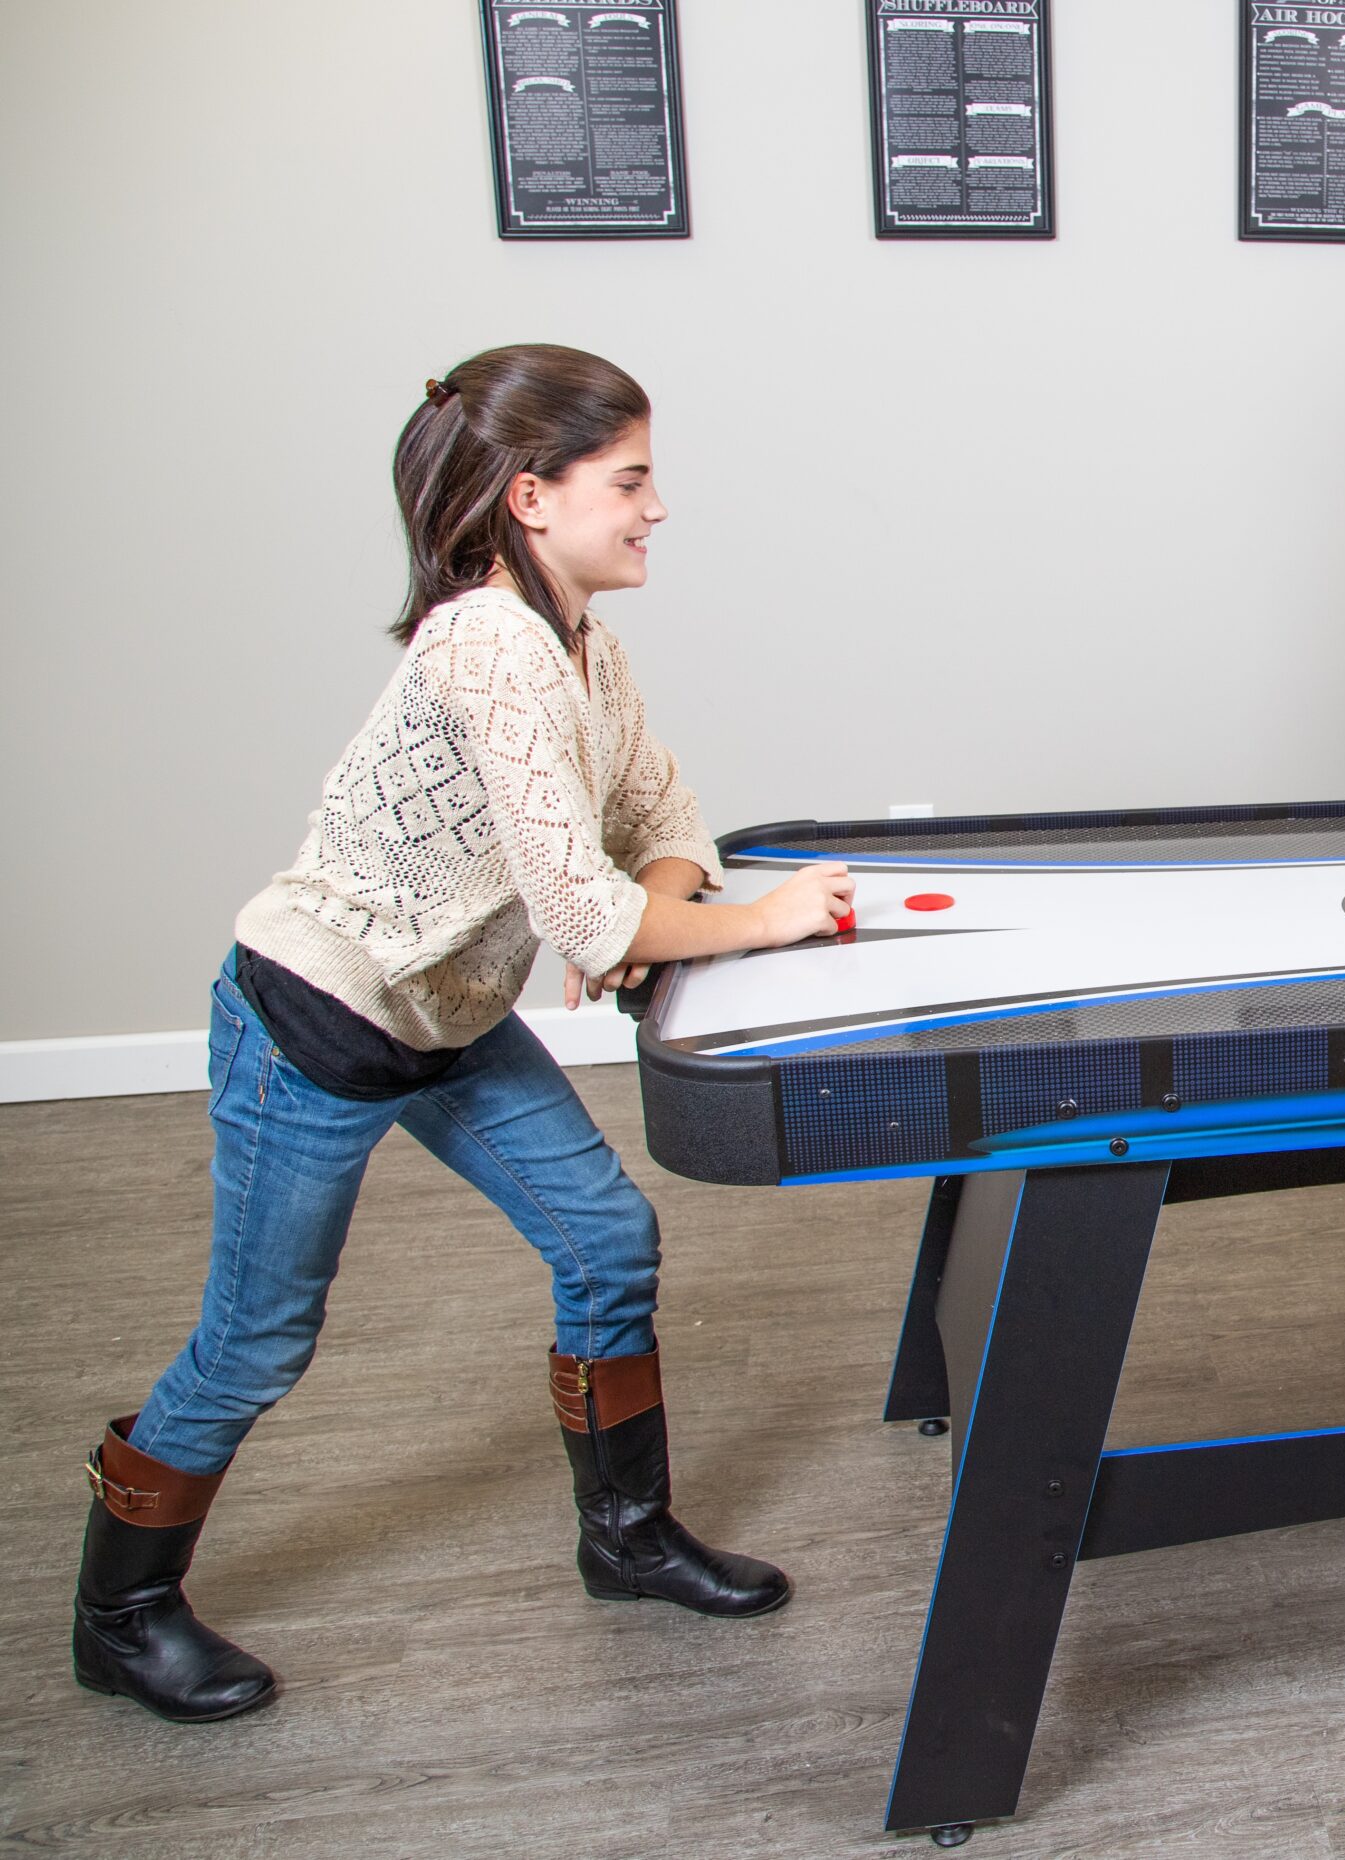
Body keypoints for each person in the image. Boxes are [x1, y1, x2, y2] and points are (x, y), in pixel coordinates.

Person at [73, 345, 859, 1722]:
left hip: (446, 1013)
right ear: (530, 496)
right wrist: (754, 921)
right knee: (257, 1343)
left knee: (605, 1241)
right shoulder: (487, 645)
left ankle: (626, 1539)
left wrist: (656, 908)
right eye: (630, 480)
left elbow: (664, 821)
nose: (658, 507)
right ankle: (121, 1618)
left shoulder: (582, 645)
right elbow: (585, 910)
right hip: (315, 1020)